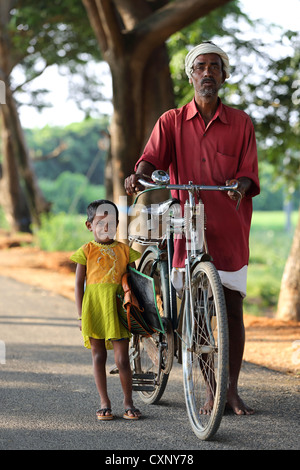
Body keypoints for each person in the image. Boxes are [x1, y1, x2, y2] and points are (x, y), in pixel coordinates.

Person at [125, 42, 260, 415]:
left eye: (215, 67)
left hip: (230, 228)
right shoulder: (170, 121)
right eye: (200, 67)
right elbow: (150, 159)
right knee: (197, 312)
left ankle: (231, 390)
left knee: (231, 309)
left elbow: (249, 173)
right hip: (189, 227)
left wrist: (242, 185)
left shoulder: (241, 123)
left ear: (224, 75)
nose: (207, 73)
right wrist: (138, 176)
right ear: (190, 75)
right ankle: (211, 390)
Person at [70, 199, 142, 420]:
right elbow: (78, 284)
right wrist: (81, 315)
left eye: (112, 222)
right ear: (89, 225)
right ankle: (104, 402)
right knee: (98, 355)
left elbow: (136, 283)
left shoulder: (125, 251)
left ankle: (128, 402)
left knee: (122, 359)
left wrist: (140, 312)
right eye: (101, 222)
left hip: (119, 310)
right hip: (94, 310)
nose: (106, 227)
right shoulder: (86, 251)